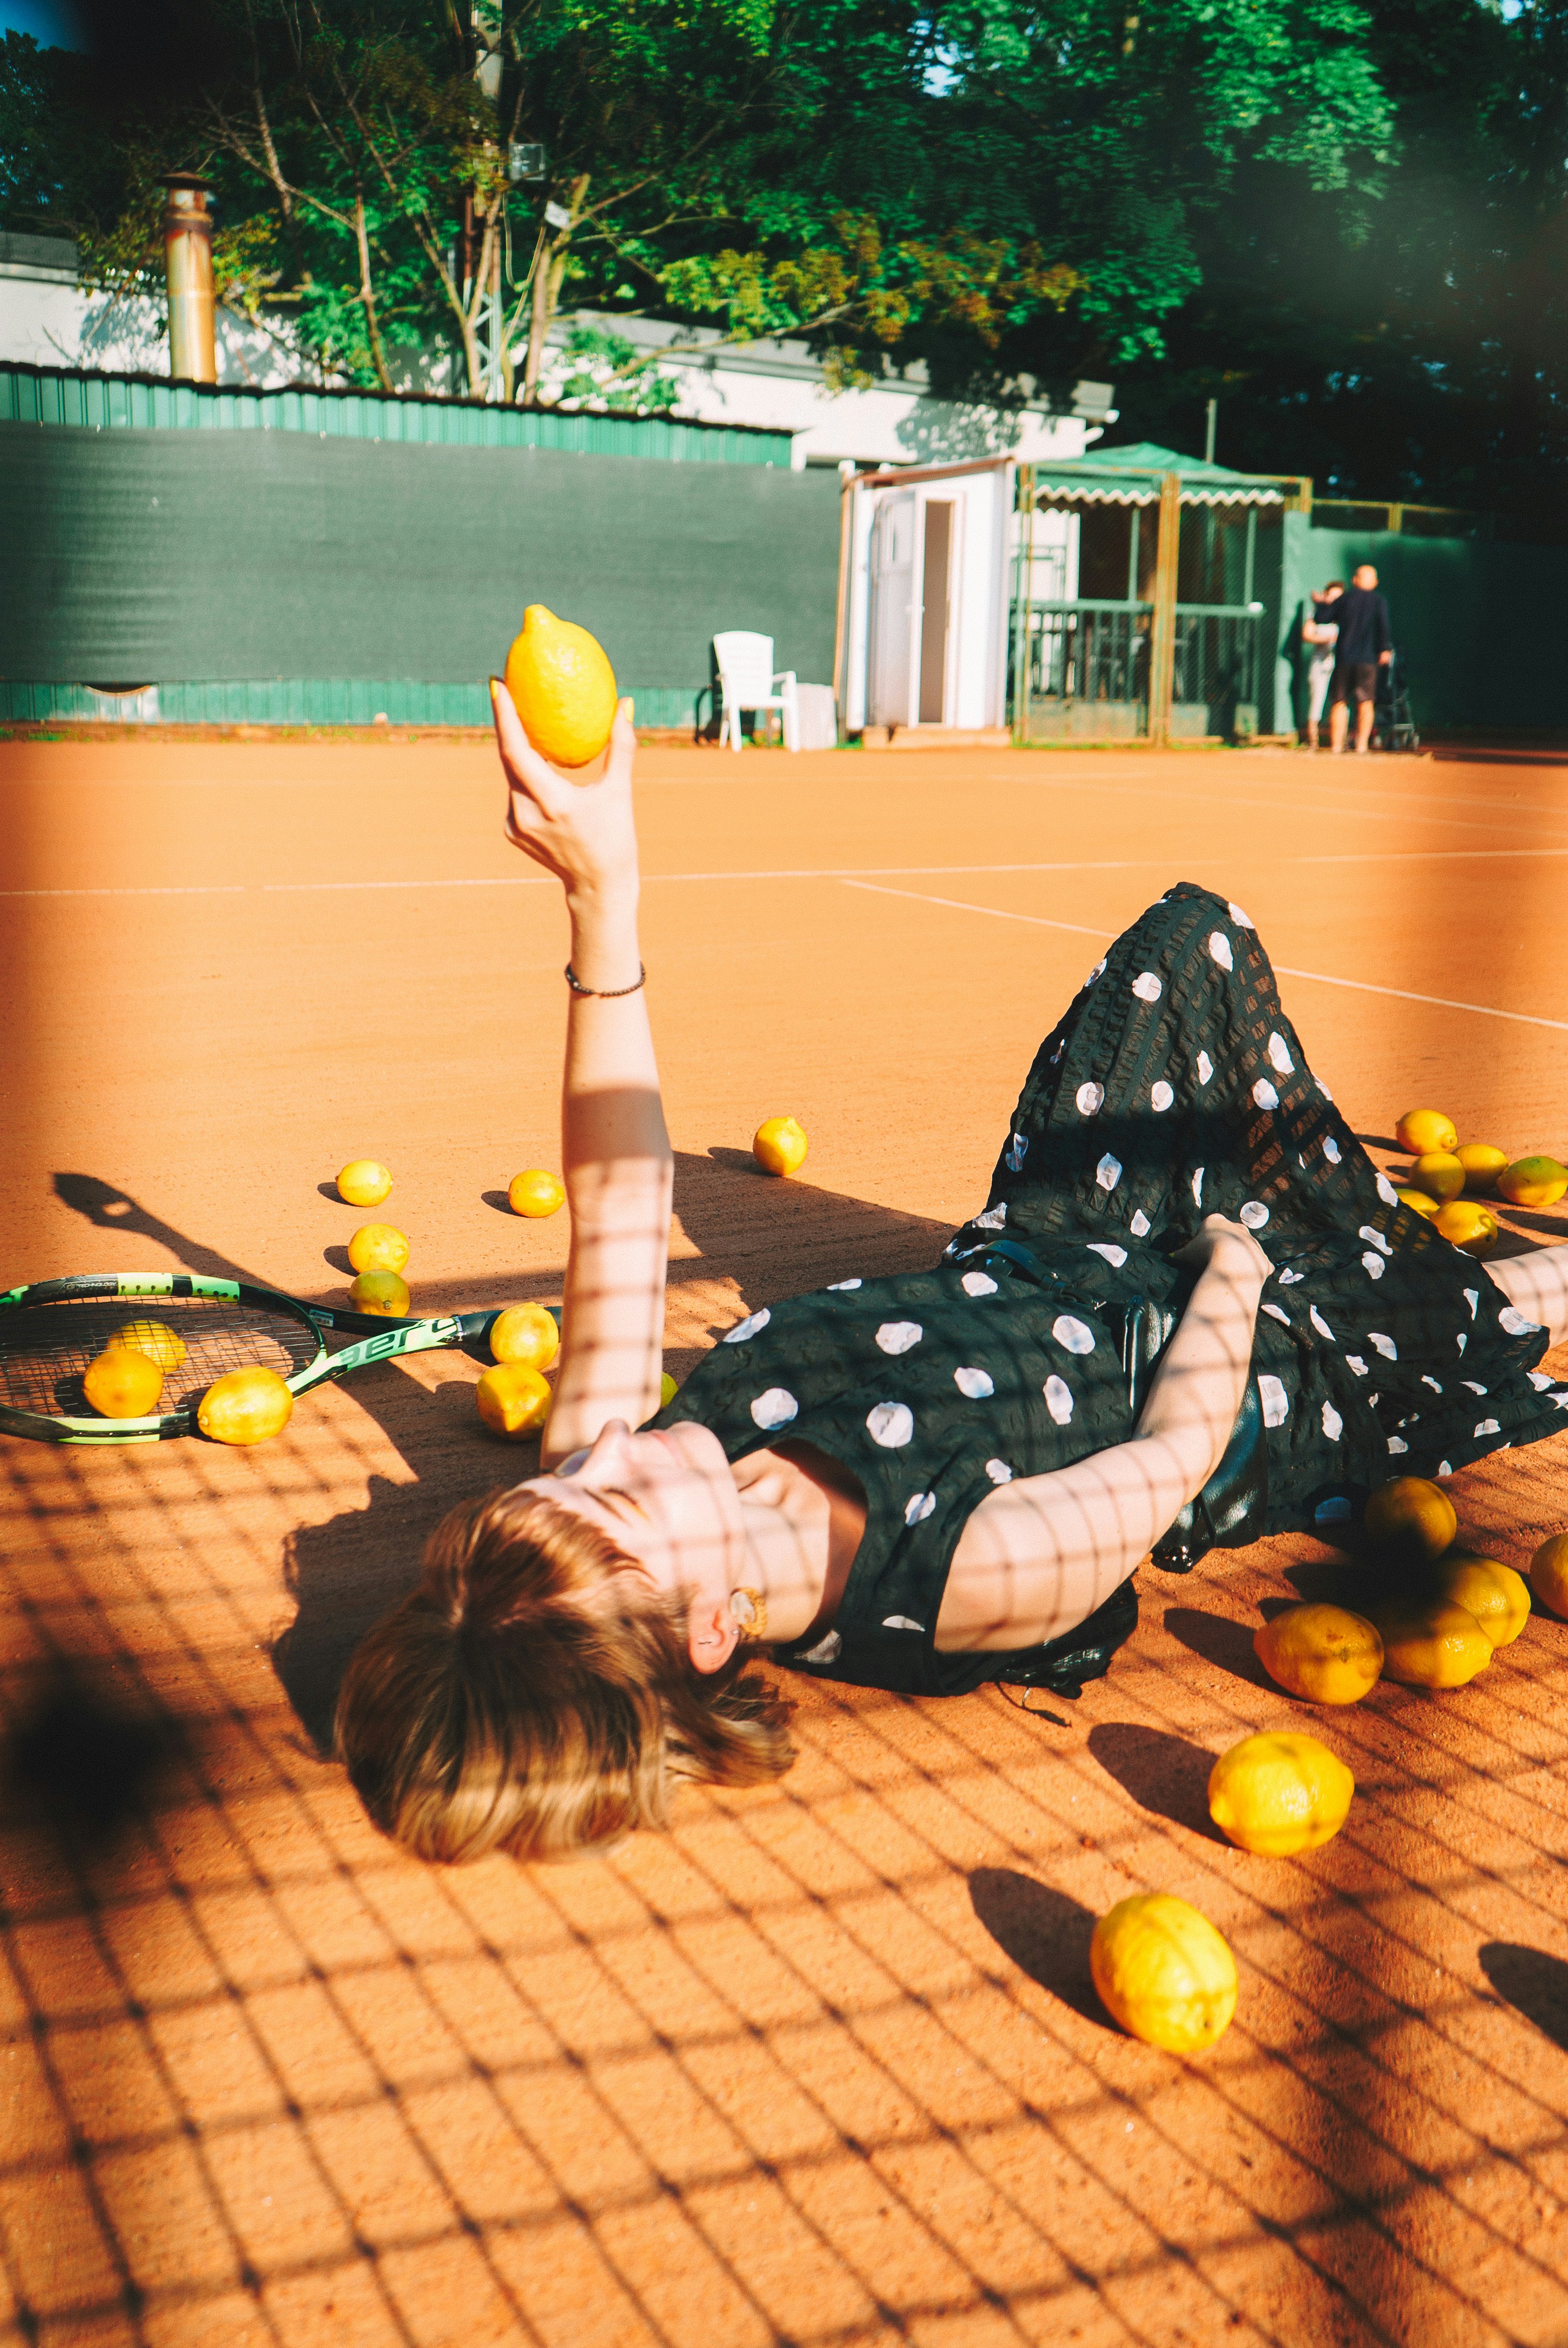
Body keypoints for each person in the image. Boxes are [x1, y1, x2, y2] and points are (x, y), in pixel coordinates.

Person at [334, 687, 1568, 1865]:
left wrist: (603, 893)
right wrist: (1235, 1254)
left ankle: (1335, 1220)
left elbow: (620, 1202)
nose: (601, 1445)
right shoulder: (965, 1582)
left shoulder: (629, 1497)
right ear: (713, 1628)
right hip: (1232, 1372)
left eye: (575, 1474)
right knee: (1492, 1315)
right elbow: (1166, 1458)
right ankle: (1381, 1263)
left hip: (1054, 1245)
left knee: (1188, 940)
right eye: (616, 1495)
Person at [1328, 562, 1393, 754]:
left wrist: (1323, 601)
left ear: (1354, 580)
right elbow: (1384, 626)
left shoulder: (1344, 599)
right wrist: (1384, 649)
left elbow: (1322, 617)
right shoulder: (1379, 601)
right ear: (1375, 582)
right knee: (1366, 702)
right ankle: (1362, 746)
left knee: (1339, 702)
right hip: (1367, 661)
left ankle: (1336, 746)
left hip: (1344, 659)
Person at [1301, 580, 1344, 751]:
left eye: (1337, 597)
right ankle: (1313, 741)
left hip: (1341, 664)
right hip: (1320, 664)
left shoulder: (1345, 613)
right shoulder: (1316, 613)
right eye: (1330, 595)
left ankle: (1340, 741)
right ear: (1324, 595)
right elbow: (1307, 634)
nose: (1333, 600)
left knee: (1340, 702)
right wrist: (1327, 639)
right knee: (1316, 702)